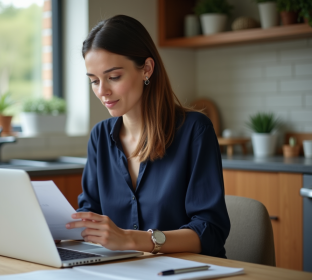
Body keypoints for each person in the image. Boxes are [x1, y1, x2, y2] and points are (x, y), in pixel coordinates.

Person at [65, 15, 230, 258]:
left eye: (114, 77)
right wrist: (65, 230)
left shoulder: (195, 130)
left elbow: (211, 230)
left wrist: (131, 239)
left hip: (186, 271)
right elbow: (91, 212)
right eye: (94, 81)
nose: (102, 91)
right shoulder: (100, 136)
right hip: (124, 272)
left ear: (147, 69)